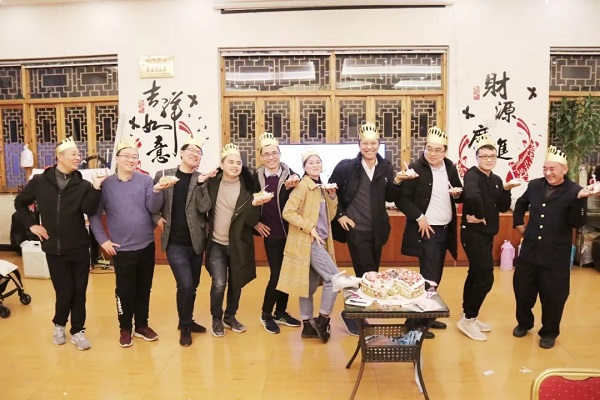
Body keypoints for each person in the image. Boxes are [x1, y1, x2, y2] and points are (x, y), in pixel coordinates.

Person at [14, 136, 106, 351]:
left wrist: (96, 188)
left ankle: (78, 331)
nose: (78, 157)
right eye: (73, 154)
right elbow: (20, 203)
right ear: (60, 157)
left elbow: (90, 209)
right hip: (53, 248)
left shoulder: (82, 184)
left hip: (79, 247)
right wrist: (32, 225)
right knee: (64, 291)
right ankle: (59, 325)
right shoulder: (40, 182)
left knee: (79, 291)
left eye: (78, 154)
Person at [89, 137, 174, 348]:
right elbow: (94, 215)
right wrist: (102, 240)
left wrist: (157, 190)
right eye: (126, 156)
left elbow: (153, 208)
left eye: (134, 156)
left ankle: (142, 325)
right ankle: (125, 327)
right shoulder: (106, 184)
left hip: (146, 245)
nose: (130, 160)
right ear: (117, 158)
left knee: (144, 288)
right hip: (121, 249)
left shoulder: (145, 180)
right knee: (124, 290)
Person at [512, 145, 595, 349]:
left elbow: (577, 223)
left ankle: (549, 332)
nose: (548, 173)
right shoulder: (535, 185)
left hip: (556, 255)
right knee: (522, 290)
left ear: (564, 170)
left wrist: (580, 201)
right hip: (530, 250)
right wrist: (519, 225)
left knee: (554, 297)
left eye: (552, 169)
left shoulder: (574, 190)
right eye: (545, 168)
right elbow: (521, 203)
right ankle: (524, 323)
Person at [328, 122, 405, 336]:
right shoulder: (346, 167)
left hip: (378, 229)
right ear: (359, 144)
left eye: (373, 143)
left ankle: (358, 312)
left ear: (378, 144)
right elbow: (330, 191)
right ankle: (354, 315)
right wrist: (340, 215)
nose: (369, 147)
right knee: (366, 273)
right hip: (356, 229)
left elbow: (390, 196)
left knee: (371, 273)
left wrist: (397, 181)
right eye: (365, 143)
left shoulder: (385, 167)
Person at [395, 126, 463, 338]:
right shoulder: (416, 168)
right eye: (429, 149)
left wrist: (457, 194)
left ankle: (426, 317)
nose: (433, 154)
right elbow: (401, 199)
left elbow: (459, 193)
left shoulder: (450, 167)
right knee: (428, 278)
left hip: (445, 229)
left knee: (435, 275)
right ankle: (415, 324)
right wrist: (419, 217)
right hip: (427, 230)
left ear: (445, 151)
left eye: (438, 150)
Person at [153, 136, 214, 347]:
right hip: (174, 242)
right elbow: (151, 201)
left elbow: (204, 207)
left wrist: (200, 184)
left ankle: (186, 320)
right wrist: (156, 218)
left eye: (199, 152)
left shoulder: (201, 178)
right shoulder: (164, 175)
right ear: (181, 153)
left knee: (193, 285)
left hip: (196, 242)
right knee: (185, 284)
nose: (195, 154)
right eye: (191, 151)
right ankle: (186, 327)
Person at [457, 134, 518, 341]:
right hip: (473, 233)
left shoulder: (496, 179)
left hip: (487, 234)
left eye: (492, 156)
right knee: (485, 277)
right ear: (477, 158)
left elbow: (502, 206)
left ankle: (467, 315)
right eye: (484, 156)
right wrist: (480, 216)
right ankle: (468, 319)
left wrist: (506, 190)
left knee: (475, 273)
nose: (488, 160)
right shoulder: (472, 175)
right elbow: (472, 196)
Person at [205, 143, 267, 338]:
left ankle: (230, 316)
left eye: (238, 163)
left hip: (239, 243)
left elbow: (251, 221)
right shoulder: (212, 183)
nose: (235, 165)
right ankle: (216, 318)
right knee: (219, 283)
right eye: (230, 162)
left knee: (236, 282)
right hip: (216, 243)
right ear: (222, 165)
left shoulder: (249, 186)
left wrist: (255, 204)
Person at [278, 149, 340, 343]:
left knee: (308, 285)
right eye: (310, 163)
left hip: (320, 241)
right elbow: (288, 212)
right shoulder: (303, 186)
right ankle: (322, 320)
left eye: (317, 162)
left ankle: (307, 326)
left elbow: (329, 217)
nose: (315, 165)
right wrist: (309, 227)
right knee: (334, 279)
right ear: (304, 167)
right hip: (309, 243)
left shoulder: (321, 187)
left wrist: (332, 197)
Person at [252, 132, 301, 334]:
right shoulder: (255, 177)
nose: (271, 157)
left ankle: (280, 312)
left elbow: (302, 196)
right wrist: (255, 223)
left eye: (274, 153)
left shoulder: (291, 174)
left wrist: (296, 182)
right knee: (277, 274)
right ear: (261, 156)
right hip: (271, 233)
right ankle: (266, 313)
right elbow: (246, 202)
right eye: (266, 154)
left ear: (280, 154)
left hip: (291, 233)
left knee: (287, 274)